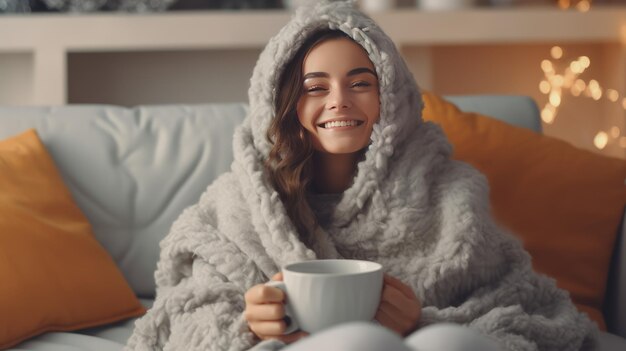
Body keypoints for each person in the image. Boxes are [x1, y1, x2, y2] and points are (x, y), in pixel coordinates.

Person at [126, 1, 597, 350]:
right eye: (315, 88)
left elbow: (519, 302)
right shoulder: (238, 204)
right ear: (282, 104)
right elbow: (186, 310)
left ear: (392, 96)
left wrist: (422, 322)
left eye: (360, 83)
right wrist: (251, 318)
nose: (339, 101)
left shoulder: (451, 197)